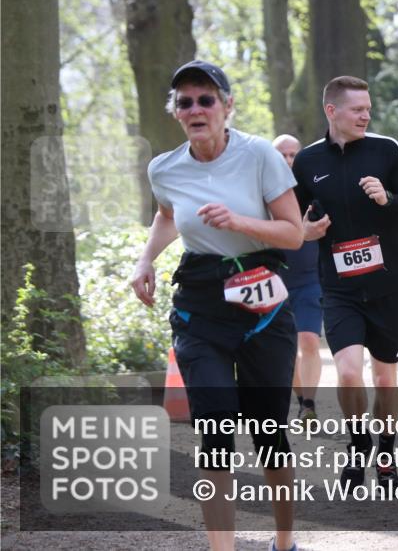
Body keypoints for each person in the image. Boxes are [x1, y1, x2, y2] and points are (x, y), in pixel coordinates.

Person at [130, 60, 301, 551]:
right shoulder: (164, 167)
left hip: (262, 301)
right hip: (200, 305)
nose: (196, 108)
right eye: (186, 101)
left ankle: (284, 542)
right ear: (176, 113)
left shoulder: (260, 155)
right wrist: (145, 261)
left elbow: (292, 233)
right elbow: (167, 216)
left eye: (207, 99)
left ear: (227, 106)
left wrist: (240, 221)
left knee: (269, 433)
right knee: (215, 427)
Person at [291, 76, 398, 496]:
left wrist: (388, 199)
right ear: (332, 111)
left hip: (386, 287)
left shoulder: (386, 150)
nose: (366, 114)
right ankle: (357, 443)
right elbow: (292, 222)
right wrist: (307, 231)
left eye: (368, 108)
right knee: (348, 374)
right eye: (357, 109)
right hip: (340, 288)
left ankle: (385, 453)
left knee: (385, 380)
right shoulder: (308, 162)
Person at [273, 134, 324, 421]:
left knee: (309, 341)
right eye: (283, 154)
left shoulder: (313, 191)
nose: (288, 160)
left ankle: (309, 404)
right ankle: (299, 397)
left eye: (294, 154)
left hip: (309, 279)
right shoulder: (260, 193)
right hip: (274, 280)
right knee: (287, 348)